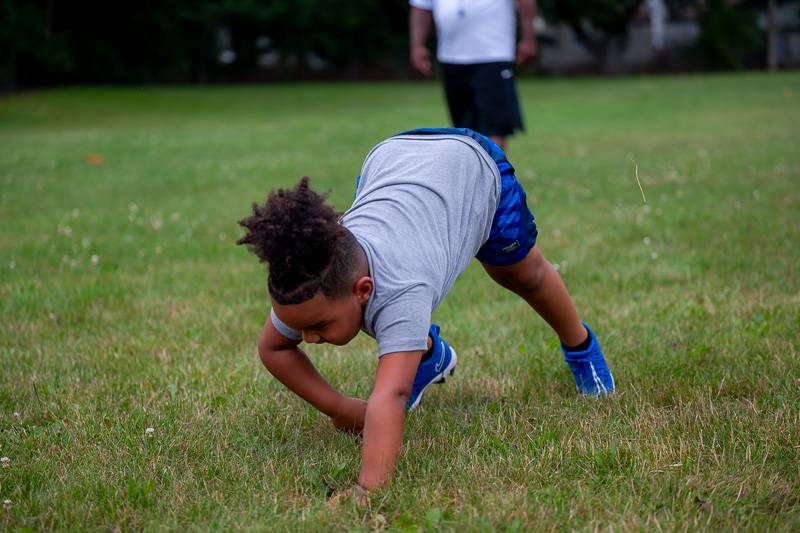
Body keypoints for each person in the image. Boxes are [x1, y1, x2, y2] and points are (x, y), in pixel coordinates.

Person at [237, 128, 614, 497]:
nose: (308, 338)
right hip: (393, 158)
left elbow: (391, 394)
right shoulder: (316, 273)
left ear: (363, 288)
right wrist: (338, 407)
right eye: (300, 327)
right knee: (376, 318)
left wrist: (369, 491)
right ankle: (428, 354)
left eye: (318, 326)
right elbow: (274, 348)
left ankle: (581, 347)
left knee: (520, 274)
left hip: (472, 166)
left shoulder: (401, 290)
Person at [409, 0, 537, 152]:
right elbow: (421, 7)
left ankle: (491, 174)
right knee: (463, 129)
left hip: (493, 54)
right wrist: (417, 45)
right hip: (451, 56)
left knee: (494, 126)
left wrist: (528, 37)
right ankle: (472, 174)